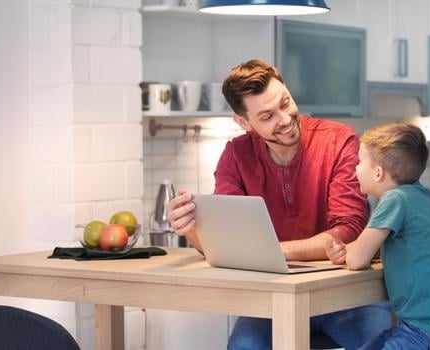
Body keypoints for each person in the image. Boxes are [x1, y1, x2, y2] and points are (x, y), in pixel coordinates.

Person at [167, 59, 392, 349]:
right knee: (244, 347)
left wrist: (271, 252)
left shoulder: (338, 140)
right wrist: (190, 228)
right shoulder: (236, 155)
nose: (285, 119)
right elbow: (230, 241)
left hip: (346, 296)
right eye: (267, 116)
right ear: (244, 122)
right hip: (274, 298)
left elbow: (348, 230)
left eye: (285, 103)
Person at [325, 123, 430, 350]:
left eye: (359, 163)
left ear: (378, 173)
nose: (355, 170)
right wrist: (344, 250)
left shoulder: (395, 200)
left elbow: (358, 259)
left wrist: (345, 253)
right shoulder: (427, 198)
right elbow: (372, 250)